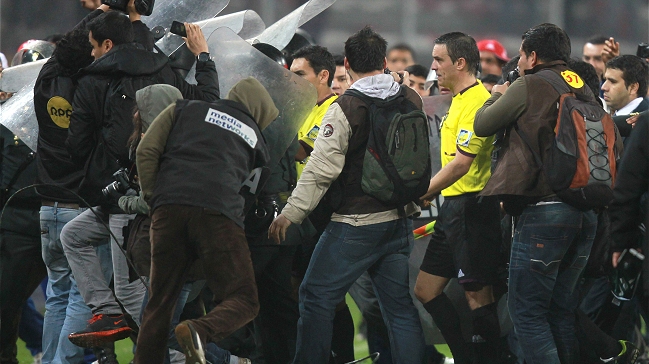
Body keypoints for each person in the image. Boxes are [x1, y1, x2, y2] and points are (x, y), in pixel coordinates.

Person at [60, 11, 220, 348]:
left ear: (107, 43)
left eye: (93, 47)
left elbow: (76, 145)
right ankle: (108, 312)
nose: (91, 54)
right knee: (73, 234)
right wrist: (203, 58)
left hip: (127, 199)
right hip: (155, 192)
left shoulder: (92, 81)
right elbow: (206, 103)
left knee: (132, 296)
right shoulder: (162, 70)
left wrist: (98, 174)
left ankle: (194, 357)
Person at [269, 26, 426, 364]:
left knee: (314, 297)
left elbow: (319, 170)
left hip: (355, 222)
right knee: (398, 308)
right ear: (384, 61)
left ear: (348, 63)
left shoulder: (345, 107)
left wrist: (290, 214)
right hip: (399, 219)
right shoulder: (410, 97)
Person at [473, 23, 598, 364]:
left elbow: (483, 125)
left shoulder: (530, 84)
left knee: (527, 313)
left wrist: (500, 90)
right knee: (560, 312)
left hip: (544, 210)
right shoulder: (582, 85)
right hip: (586, 209)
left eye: (522, 54)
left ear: (533, 55)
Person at [132, 77, 277, 364]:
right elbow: (248, 196)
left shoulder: (183, 109)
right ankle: (199, 330)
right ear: (258, 112)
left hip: (168, 210)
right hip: (219, 215)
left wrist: (154, 198)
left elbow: (145, 150)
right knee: (244, 299)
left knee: (159, 306)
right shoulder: (258, 144)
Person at [413, 32, 501, 364]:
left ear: (460, 63)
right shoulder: (459, 100)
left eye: (439, 60)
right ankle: (465, 356)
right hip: (453, 209)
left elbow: (462, 164)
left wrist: (424, 192)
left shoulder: (478, 101)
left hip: (472, 208)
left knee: (478, 296)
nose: (434, 68)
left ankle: (491, 359)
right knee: (425, 289)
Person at [289, 45, 337, 178]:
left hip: (319, 195)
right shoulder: (300, 108)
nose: (293, 80)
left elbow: (301, 152)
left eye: (299, 74)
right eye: (291, 74)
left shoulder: (334, 110)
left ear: (323, 76)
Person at [602, 55, 649, 137]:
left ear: (633, 88)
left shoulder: (645, 123)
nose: (603, 87)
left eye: (612, 82)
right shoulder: (606, 116)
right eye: (605, 80)